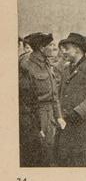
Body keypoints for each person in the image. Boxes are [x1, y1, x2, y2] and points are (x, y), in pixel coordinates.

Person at [55, 33, 86, 167]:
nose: (63, 51)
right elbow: (61, 94)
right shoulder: (65, 68)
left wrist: (77, 113)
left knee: (84, 162)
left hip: (85, 126)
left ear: (77, 49)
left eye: (66, 48)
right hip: (68, 125)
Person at [19, 33, 61, 166]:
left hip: (50, 117)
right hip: (37, 118)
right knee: (39, 156)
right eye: (51, 45)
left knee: (49, 154)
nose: (54, 48)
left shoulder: (46, 63)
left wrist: (58, 116)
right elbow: (26, 102)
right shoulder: (27, 66)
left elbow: (54, 95)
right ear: (42, 48)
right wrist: (36, 128)